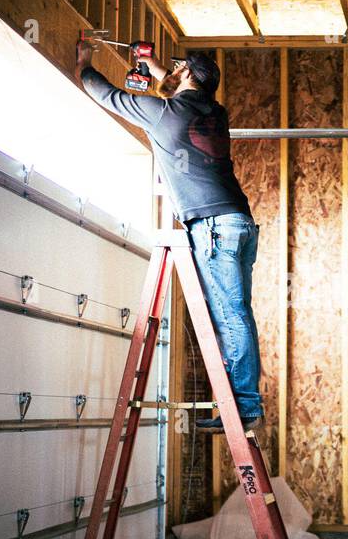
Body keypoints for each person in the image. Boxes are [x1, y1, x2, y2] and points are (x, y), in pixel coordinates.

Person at [75, 39, 263, 433]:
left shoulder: (161, 114)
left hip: (212, 227)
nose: (171, 73)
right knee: (239, 314)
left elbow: (104, 93)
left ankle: (245, 408)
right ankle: (246, 403)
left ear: (188, 75)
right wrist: (158, 68)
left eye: (178, 69)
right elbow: (183, 92)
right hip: (239, 224)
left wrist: (85, 61)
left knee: (231, 318)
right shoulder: (215, 111)